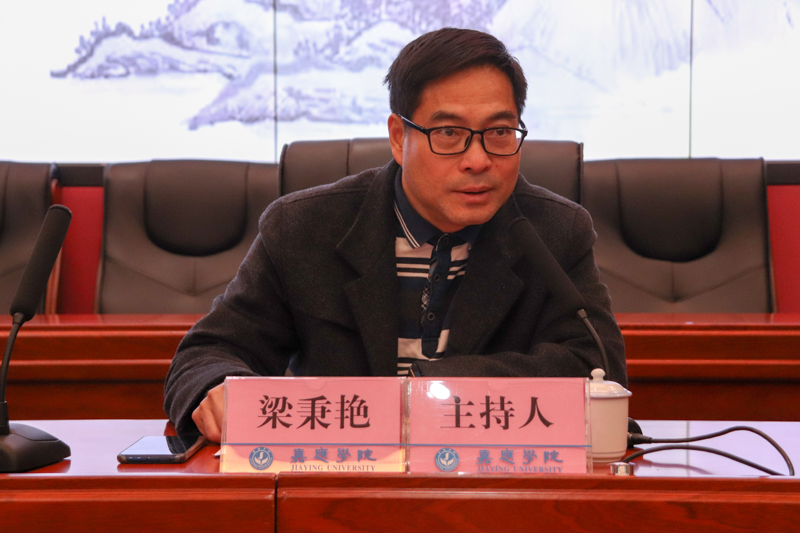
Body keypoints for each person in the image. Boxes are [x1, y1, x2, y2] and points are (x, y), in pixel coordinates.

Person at [164, 28, 626, 442]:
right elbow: (210, 353)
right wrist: (216, 388)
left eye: (500, 132)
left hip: (495, 484)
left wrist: (428, 389)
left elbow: (598, 367)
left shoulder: (554, 231)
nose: (479, 160)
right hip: (337, 481)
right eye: (449, 133)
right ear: (398, 137)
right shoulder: (304, 228)